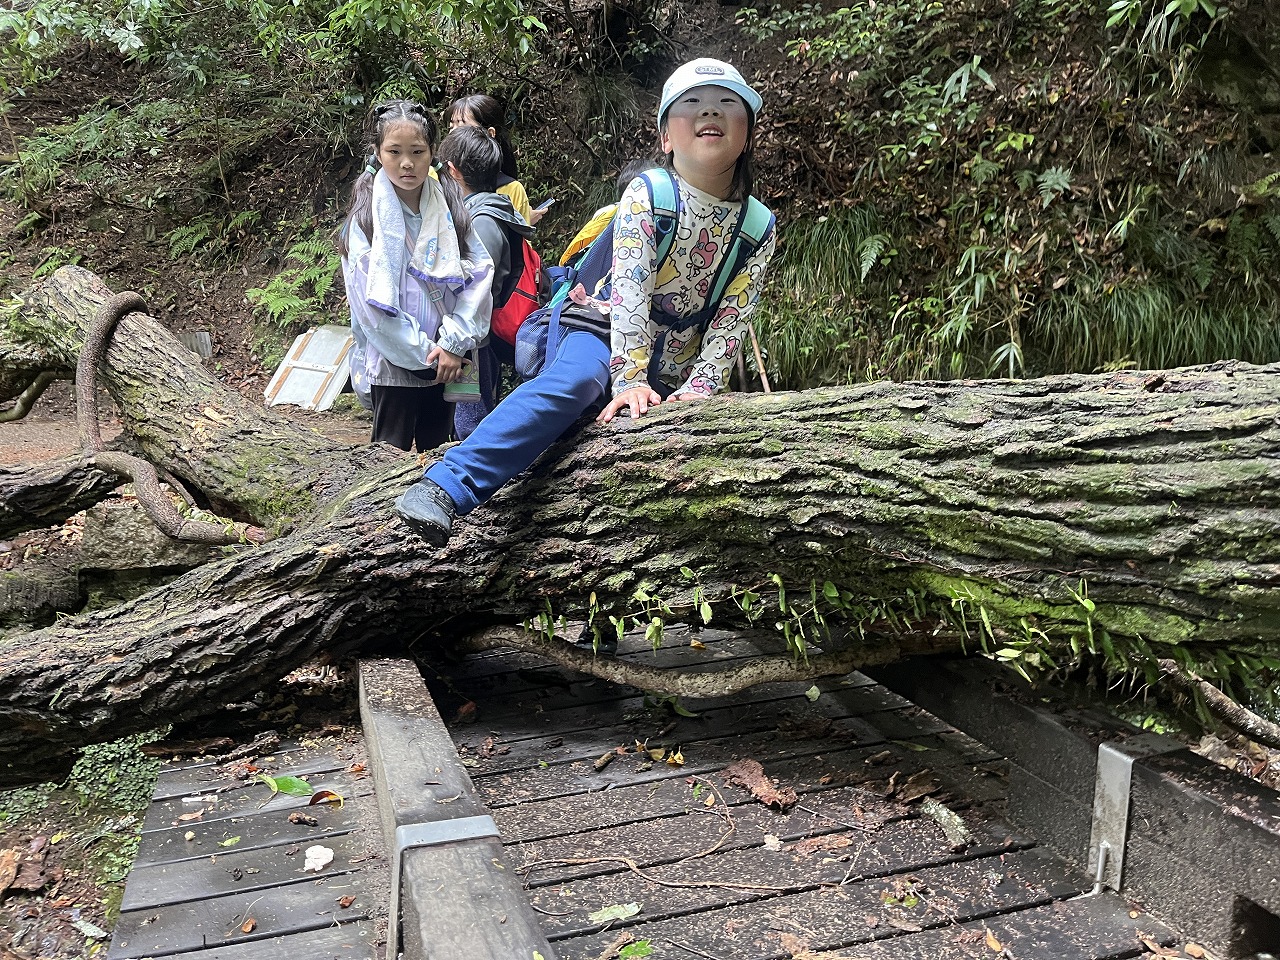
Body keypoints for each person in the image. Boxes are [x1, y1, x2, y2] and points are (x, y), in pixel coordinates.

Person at [396, 58, 777, 546]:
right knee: (575, 382)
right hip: (603, 329)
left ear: (747, 134)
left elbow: (732, 318)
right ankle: (447, 485)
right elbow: (631, 290)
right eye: (693, 104)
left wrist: (700, 388)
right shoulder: (650, 192)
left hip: (677, 364)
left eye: (727, 104)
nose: (711, 112)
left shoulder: (757, 226)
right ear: (666, 136)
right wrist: (631, 379)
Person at [339, 100, 495, 452]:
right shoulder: (365, 220)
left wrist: (453, 343)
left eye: (417, 152)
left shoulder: (451, 209)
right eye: (394, 152)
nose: (406, 162)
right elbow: (370, 309)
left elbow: (480, 274)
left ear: (432, 153)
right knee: (386, 456)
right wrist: (428, 355)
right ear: (378, 153)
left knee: (438, 452)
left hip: (449, 360)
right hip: (394, 366)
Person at [435, 124, 537, 440]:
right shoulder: (484, 211)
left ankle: (475, 467)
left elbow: (477, 290)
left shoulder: (482, 221)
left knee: (470, 422)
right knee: (465, 417)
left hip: (475, 341)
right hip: (473, 336)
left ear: (452, 171)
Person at [447, 94, 547, 227]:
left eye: (462, 126)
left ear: (490, 134)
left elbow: (518, 240)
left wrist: (522, 221)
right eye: (451, 127)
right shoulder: (434, 175)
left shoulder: (511, 189)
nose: (453, 134)